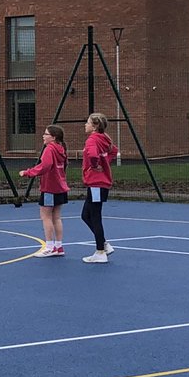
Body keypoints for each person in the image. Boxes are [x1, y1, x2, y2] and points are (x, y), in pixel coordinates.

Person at [19, 124, 69, 256]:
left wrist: (28, 172)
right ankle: (59, 247)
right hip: (60, 187)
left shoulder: (50, 149)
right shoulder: (61, 149)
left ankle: (49, 247)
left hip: (50, 188)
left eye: (46, 134)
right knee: (56, 217)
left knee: (46, 216)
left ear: (53, 137)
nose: (43, 136)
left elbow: (45, 166)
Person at [80, 112, 119, 264]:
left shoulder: (92, 140)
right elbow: (113, 150)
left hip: (96, 183)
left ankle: (100, 251)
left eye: (88, 122)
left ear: (95, 126)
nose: (85, 124)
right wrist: (105, 162)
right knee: (86, 215)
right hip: (100, 183)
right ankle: (103, 244)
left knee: (95, 216)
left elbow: (93, 155)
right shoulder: (105, 138)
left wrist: (95, 165)